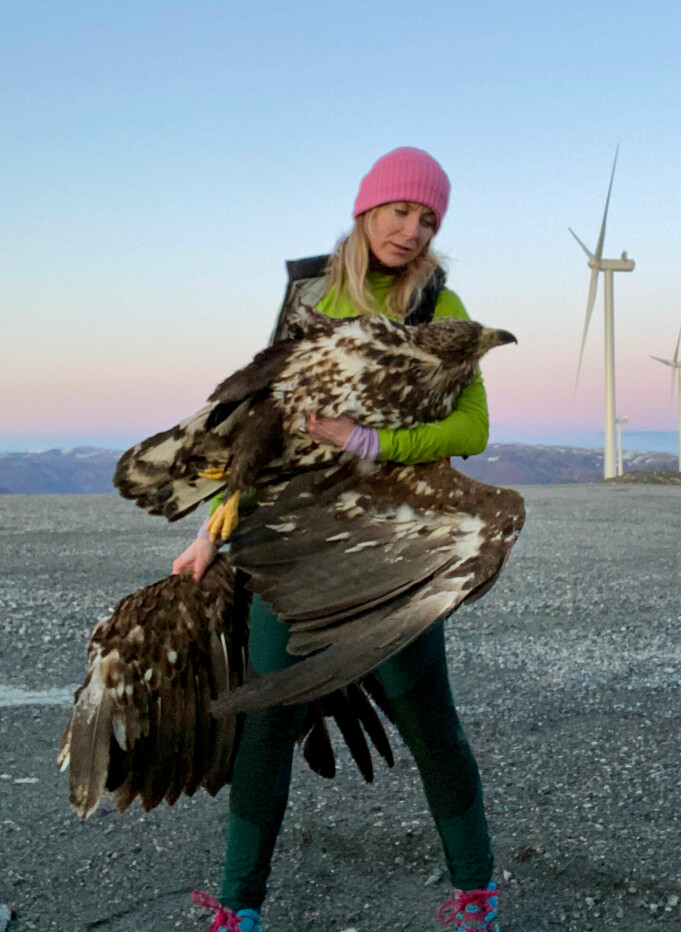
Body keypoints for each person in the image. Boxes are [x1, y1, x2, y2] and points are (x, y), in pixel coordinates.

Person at [173, 147, 501, 932]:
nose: (412, 231)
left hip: (390, 549)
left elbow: (474, 428)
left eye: (428, 220)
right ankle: (239, 907)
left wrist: (369, 442)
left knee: (427, 722)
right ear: (367, 210)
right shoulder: (308, 295)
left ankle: (477, 894)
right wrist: (216, 526)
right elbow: (263, 421)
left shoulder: (439, 304)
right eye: (401, 211)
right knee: (264, 721)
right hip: (293, 542)